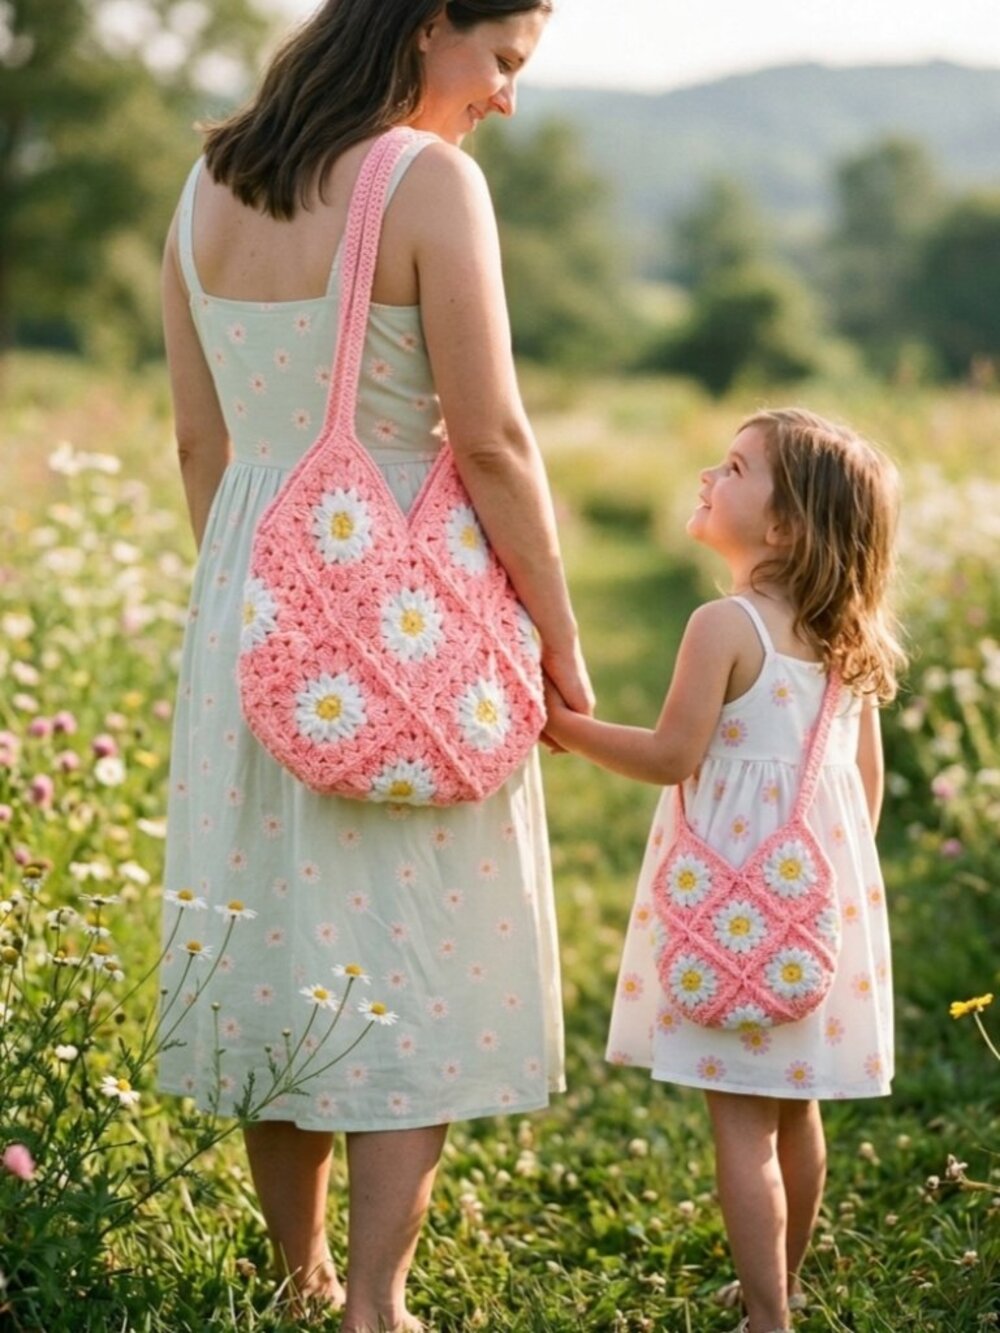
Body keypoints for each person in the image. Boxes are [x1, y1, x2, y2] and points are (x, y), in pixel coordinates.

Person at [158, 3, 592, 1329]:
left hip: (252, 595)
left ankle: (298, 1276)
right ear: (428, 23)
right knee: (411, 948)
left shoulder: (206, 184)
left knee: (275, 941)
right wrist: (559, 633)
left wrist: (259, 603)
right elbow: (492, 438)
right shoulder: (425, 181)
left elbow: (198, 442)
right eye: (503, 60)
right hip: (406, 616)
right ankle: (376, 1303)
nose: (506, 98)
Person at [544, 408, 905, 1333]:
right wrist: (824, 895)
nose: (710, 473)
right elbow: (865, 794)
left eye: (736, 467)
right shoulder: (846, 643)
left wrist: (564, 727)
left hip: (733, 919)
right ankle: (782, 1285)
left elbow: (672, 754)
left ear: (783, 525)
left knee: (742, 1127)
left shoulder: (725, 624)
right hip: (815, 917)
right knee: (798, 1113)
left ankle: (767, 1317)